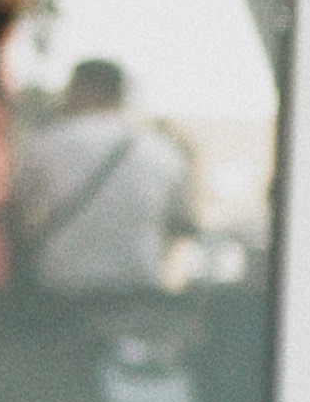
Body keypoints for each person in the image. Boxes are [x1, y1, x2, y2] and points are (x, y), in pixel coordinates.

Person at [13, 59, 189, 295]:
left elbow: (19, 210)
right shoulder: (163, 151)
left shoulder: (46, 143)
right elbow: (179, 221)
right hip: (139, 284)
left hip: (64, 284)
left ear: (81, 89)